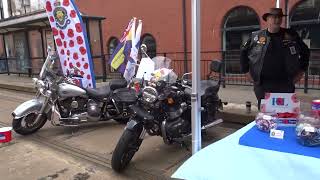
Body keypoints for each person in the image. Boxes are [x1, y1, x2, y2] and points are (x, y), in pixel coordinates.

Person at [240, 8, 310, 109]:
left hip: (285, 83)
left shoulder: (291, 35)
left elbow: (305, 52)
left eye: (279, 17)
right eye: (274, 17)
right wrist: (247, 73)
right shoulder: (256, 36)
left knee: (285, 114)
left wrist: (301, 72)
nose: (277, 20)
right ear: (267, 19)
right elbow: (243, 53)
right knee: (266, 116)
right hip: (263, 84)